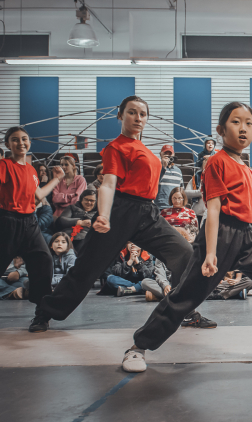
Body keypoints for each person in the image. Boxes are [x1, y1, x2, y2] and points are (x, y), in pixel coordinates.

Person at [122, 101, 252, 373]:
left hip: (247, 235)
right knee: (186, 297)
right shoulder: (216, 162)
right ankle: (138, 348)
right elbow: (213, 209)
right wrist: (209, 253)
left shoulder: (245, 166)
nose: (243, 128)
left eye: (249, 123)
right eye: (236, 122)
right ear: (220, 129)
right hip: (221, 234)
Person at [30, 96, 216, 333]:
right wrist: (104, 215)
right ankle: (45, 312)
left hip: (147, 212)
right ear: (120, 115)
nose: (138, 118)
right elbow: (108, 184)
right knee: (86, 270)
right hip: (119, 211)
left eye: (142, 114)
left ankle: (185, 310)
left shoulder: (147, 151)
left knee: (184, 253)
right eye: (132, 112)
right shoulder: (115, 148)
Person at [0, 127, 64, 307]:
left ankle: (42, 311)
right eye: (15, 139)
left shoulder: (31, 170)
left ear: (29, 142)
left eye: (24, 139)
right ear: (7, 144)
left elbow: (38, 195)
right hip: (8, 221)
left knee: (44, 260)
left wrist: (57, 179)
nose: (20, 142)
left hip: (30, 221)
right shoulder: (4, 165)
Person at [55, 188, 97, 252]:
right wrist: (79, 222)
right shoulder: (72, 208)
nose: (89, 202)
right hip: (68, 235)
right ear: (81, 199)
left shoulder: (98, 213)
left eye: (92, 200)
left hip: (86, 238)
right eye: (86, 199)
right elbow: (61, 221)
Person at [155, 145, 183, 210]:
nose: (168, 157)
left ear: (173, 155)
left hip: (174, 207)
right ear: (160, 154)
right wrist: (163, 168)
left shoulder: (178, 171)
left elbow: (181, 189)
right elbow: (153, 184)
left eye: (170, 154)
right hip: (159, 207)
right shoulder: (156, 168)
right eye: (165, 154)